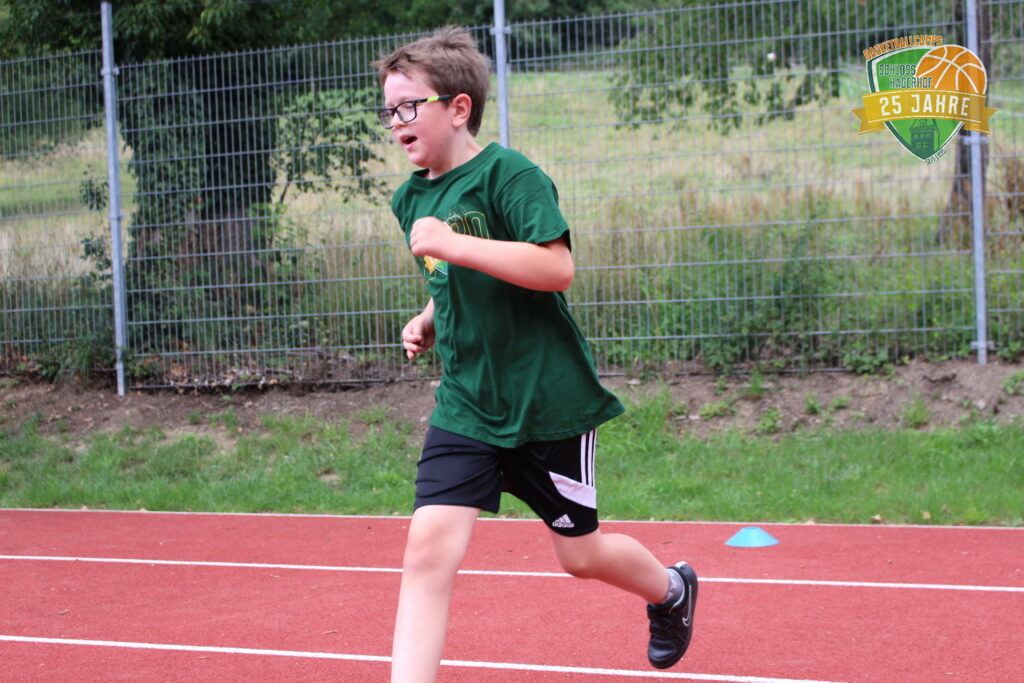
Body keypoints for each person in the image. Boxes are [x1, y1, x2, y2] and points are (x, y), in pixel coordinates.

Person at [372, 26, 697, 682]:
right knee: (426, 552)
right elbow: (451, 276)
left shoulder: (509, 175)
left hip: (546, 401)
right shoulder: (411, 199)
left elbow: (555, 268)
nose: (395, 121)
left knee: (581, 556)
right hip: (468, 401)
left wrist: (454, 244)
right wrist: (430, 317)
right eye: (388, 111)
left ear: (458, 108)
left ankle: (671, 589)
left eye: (408, 106)